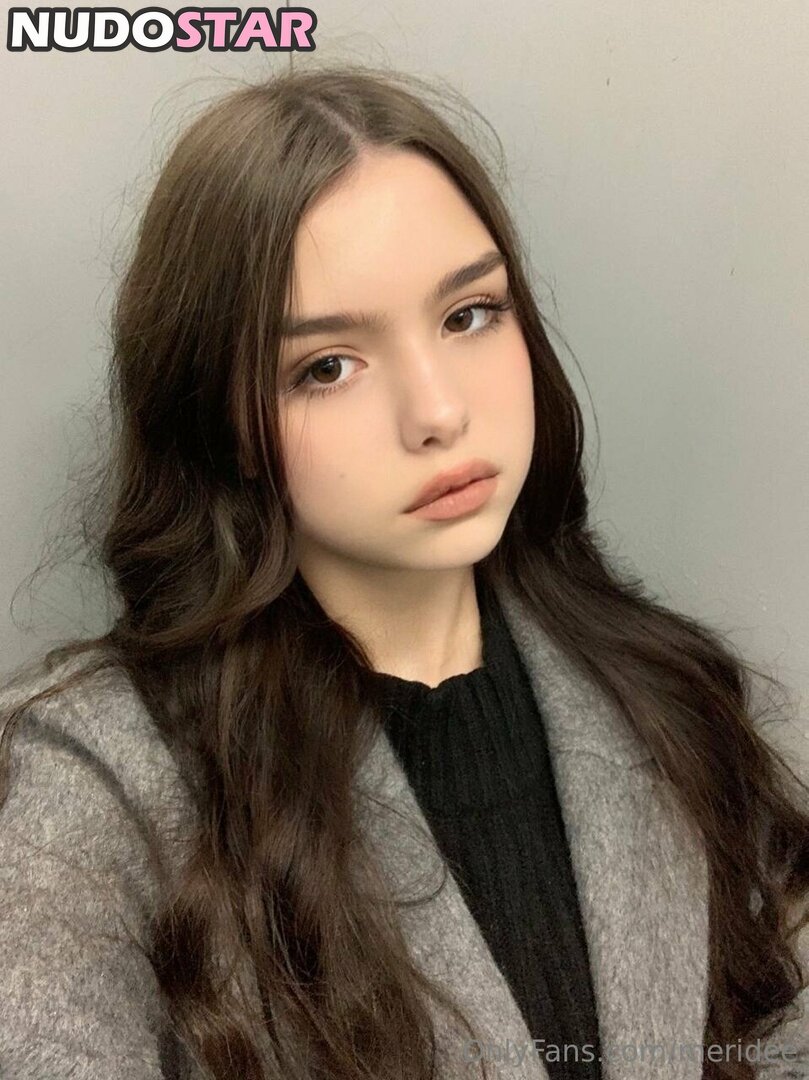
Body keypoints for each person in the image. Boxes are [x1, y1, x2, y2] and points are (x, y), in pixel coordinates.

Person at [0, 63, 807, 1080]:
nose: (437, 412)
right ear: (225, 422)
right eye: (326, 367)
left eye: (468, 314)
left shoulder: (666, 694)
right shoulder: (98, 788)